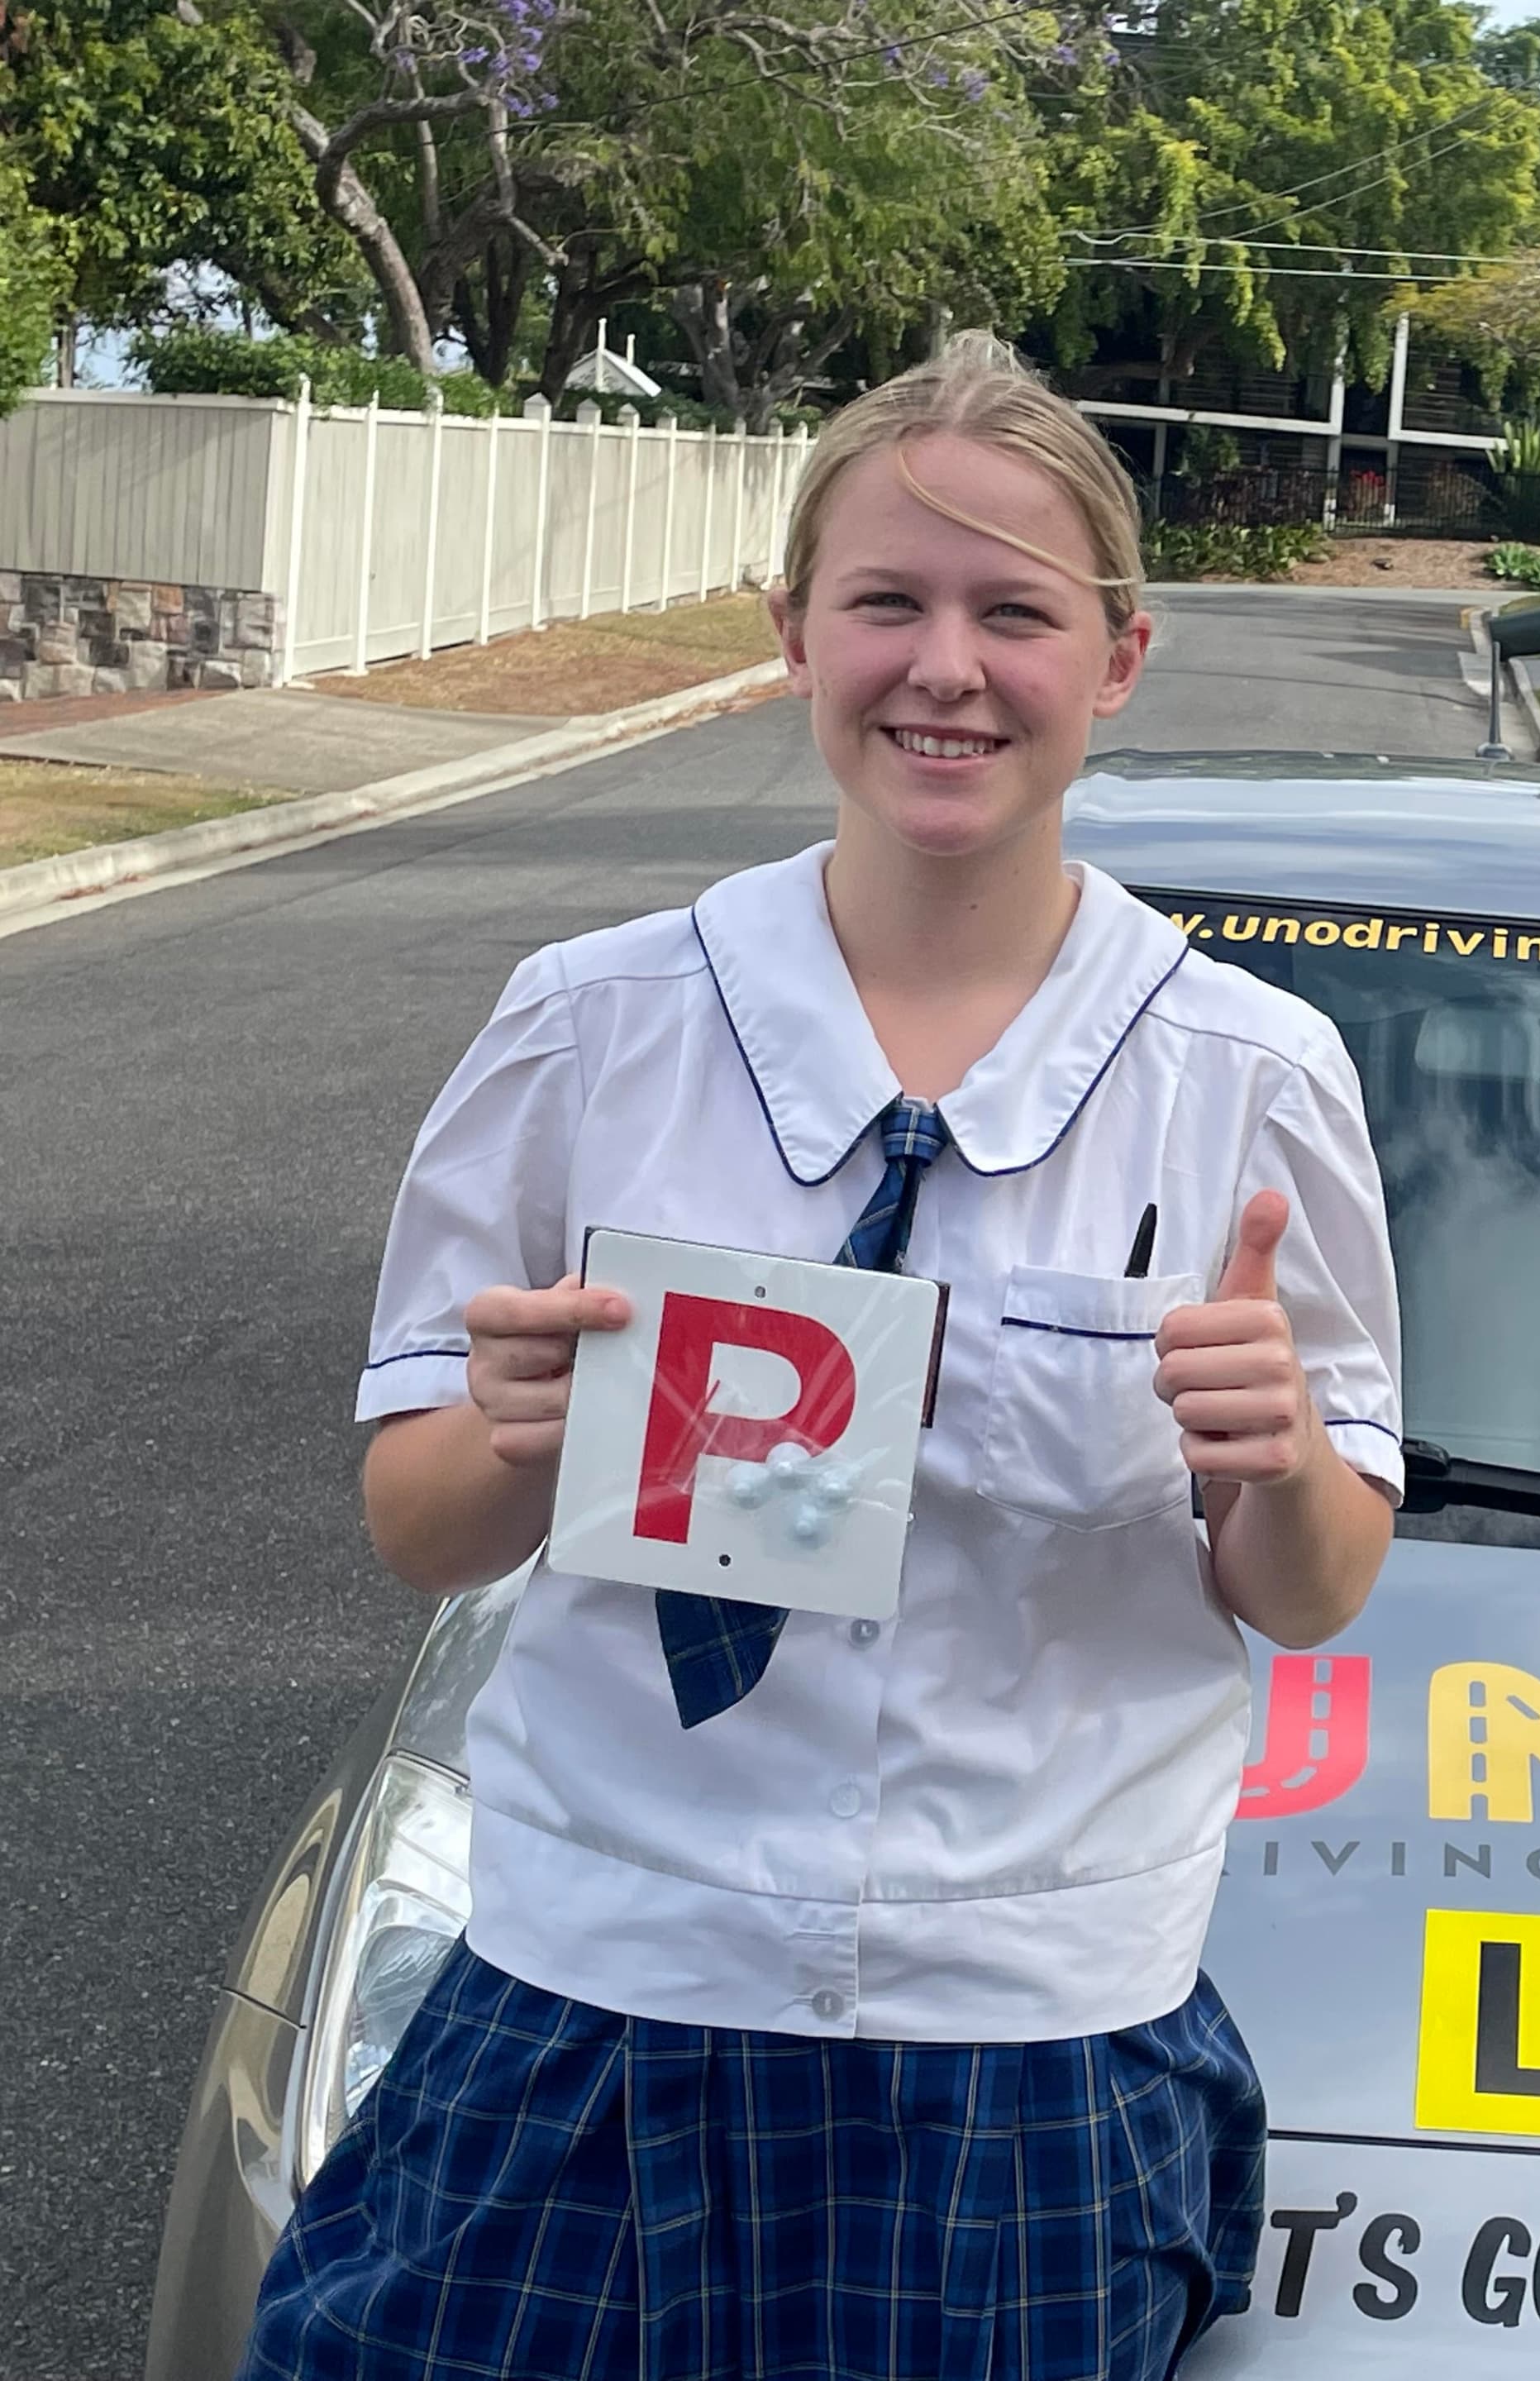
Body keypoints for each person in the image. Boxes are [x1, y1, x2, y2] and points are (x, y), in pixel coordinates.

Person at [240, 332, 1403, 2381]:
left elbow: (1309, 1592)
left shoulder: (1250, 1080)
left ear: (1117, 659)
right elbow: (416, 1526)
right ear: (793, 634)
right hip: (599, 1994)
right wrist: (512, 1440)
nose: (944, 666)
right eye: (887, 602)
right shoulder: (588, 1031)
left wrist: (1283, 1462)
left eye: (1013, 612)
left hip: (1023, 2056)